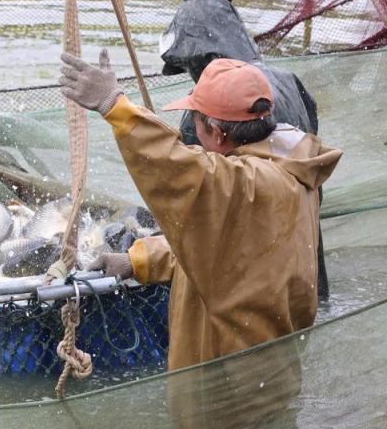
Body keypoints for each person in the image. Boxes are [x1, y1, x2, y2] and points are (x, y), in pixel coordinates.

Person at [60, 52, 341, 371]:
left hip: (231, 383)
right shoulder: (292, 170)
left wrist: (116, 106)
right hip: (272, 369)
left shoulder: (246, 186)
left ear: (218, 134)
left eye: (195, 118)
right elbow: (229, 247)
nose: (191, 128)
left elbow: (177, 167)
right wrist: (139, 259)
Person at [159, 0, 329, 298]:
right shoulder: (289, 81)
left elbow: (197, 209)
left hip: (252, 268)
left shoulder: (205, 120)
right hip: (302, 242)